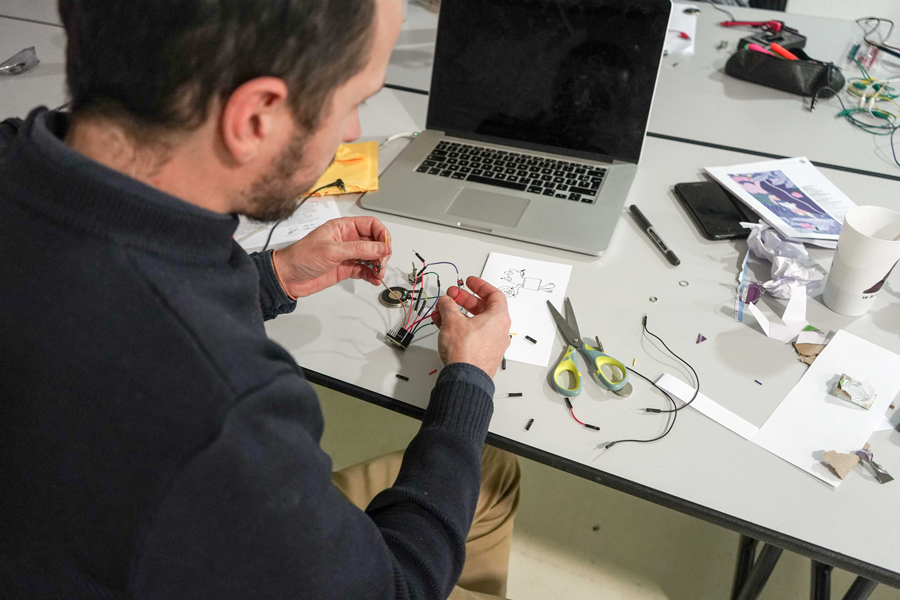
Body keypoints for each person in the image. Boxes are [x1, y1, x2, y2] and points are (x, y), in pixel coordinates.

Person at [0, 0, 519, 598]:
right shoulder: (221, 407)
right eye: (353, 101)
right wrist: (469, 381)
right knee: (490, 474)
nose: (353, 131)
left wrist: (274, 276)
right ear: (255, 117)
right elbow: (397, 589)